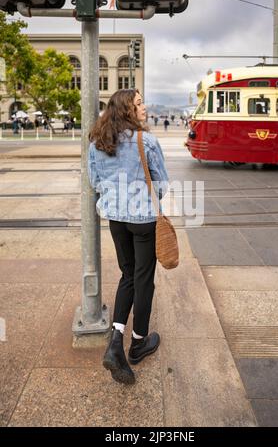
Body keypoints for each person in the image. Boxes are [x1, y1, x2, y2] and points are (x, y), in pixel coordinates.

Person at [88, 89, 169, 385]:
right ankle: (137, 344)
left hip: (116, 219)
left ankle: (115, 341)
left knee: (128, 275)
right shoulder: (145, 141)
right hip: (143, 219)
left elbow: (94, 181)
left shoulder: (98, 141)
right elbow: (162, 184)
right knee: (144, 278)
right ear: (127, 110)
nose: (144, 107)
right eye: (138, 103)